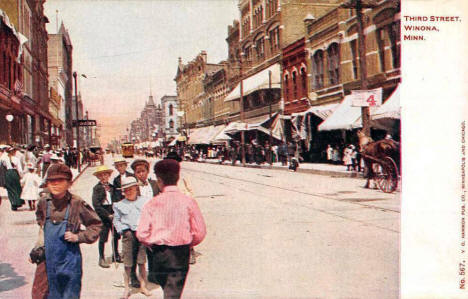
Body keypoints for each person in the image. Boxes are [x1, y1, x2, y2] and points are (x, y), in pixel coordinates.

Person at [137, 159, 206, 299]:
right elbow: (200, 232)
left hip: (159, 254)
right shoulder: (188, 202)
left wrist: (152, 243)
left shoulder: (151, 204)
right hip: (180, 254)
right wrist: (187, 242)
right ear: (178, 178)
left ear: (159, 180)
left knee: (167, 290)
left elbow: (142, 233)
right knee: (173, 293)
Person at [34, 163, 102, 299]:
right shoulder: (43, 202)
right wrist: (38, 246)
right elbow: (41, 223)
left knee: (70, 295)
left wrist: (79, 237)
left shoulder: (76, 203)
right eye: (51, 181)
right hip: (48, 260)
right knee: (44, 294)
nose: (55, 184)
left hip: (69, 260)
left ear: (69, 183)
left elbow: (96, 225)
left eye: (60, 181)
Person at [113, 176, 151, 299]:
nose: (129, 191)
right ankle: (126, 288)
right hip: (128, 235)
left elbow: (149, 217)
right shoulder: (119, 205)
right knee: (128, 263)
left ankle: (143, 286)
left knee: (141, 261)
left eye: (131, 188)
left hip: (141, 234)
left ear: (136, 188)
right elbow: (116, 220)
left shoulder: (144, 201)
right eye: (126, 190)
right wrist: (122, 230)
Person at [130, 159, 159, 284]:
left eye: (143, 171)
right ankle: (133, 276)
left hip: (153, 221)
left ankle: (153, 273)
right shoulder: (132, 186)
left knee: (153, 248)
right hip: (138, 221)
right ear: (135, 174)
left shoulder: (154, 184)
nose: (141, 174)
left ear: (147, 171)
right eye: (138, 172)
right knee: (135, 249)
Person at [92, 165, 121, 268]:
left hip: (113, 212)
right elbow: (96, 205)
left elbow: (117, 200)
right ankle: (101, 257)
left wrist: (115, 212)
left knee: (116, 235)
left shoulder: (112, 187)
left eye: (105, 174)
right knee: (103, 236)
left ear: (109, 175)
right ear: (98, 177)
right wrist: (107, 215)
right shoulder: (97, 188)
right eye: (101, 175)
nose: (103, 177)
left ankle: (116, 254)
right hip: (103, 214)